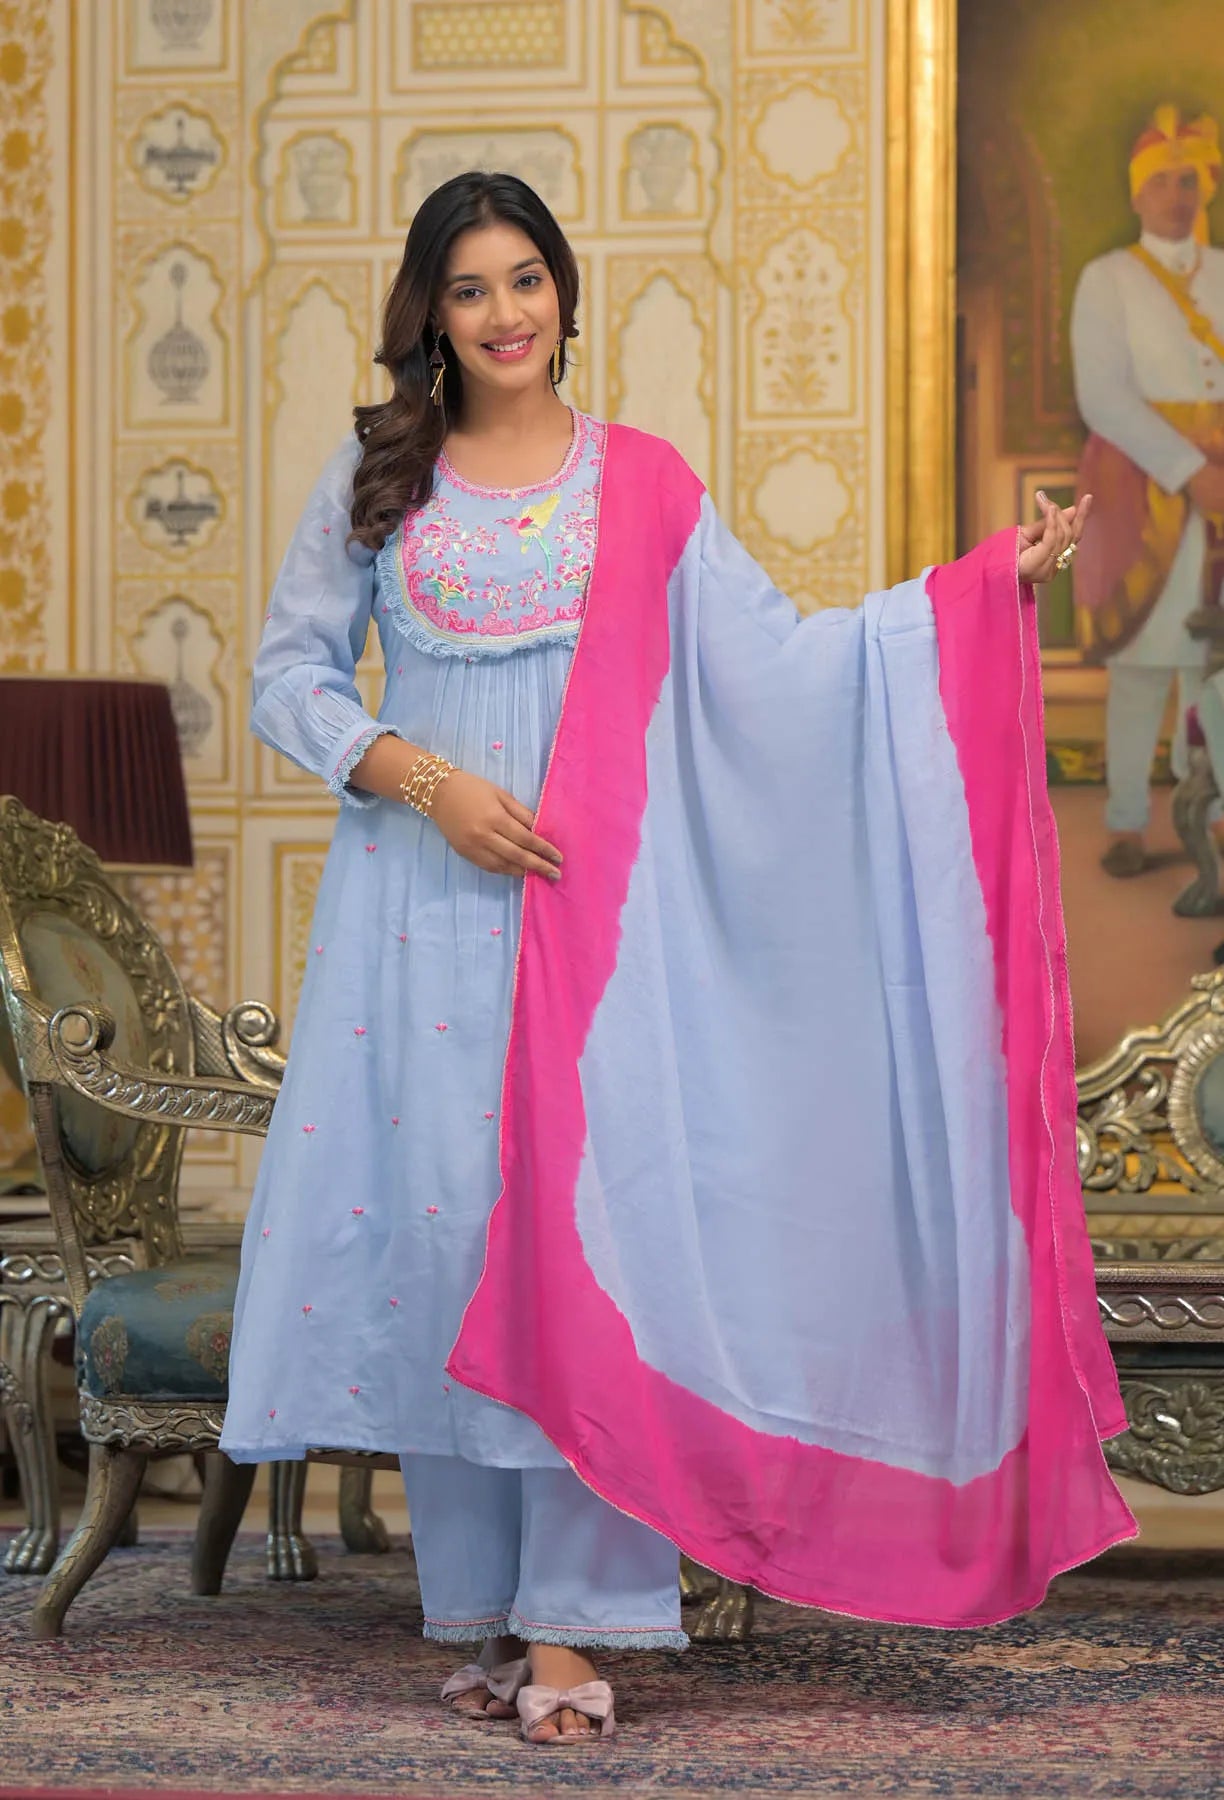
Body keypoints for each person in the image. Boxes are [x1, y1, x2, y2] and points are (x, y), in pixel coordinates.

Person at [221, 171, 1134, 1745]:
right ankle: (495, 1615)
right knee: (453, 1245)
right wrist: (426, 783)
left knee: (595, 1245)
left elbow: (780, 659)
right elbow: (285, 676)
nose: (506, 314)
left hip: (602, 921)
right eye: (470, 288)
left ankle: (583, 1627)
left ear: (567, 296)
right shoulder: (385, 482)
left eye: (527, 280)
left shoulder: (638, 485)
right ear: (429, 316)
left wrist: (988, 593)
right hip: (416, 921)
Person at [1070, 105, 1224, 878]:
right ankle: (1128, 819)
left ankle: (1221, 815)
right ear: (1137, 195)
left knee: (1217, 667)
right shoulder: (1108, 281)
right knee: (1140, 665)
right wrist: (1189, 470)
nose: (1177, 194)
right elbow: (1103, 397)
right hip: (1141, 485)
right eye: (1161, 182)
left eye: (1188, 179)